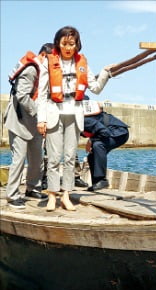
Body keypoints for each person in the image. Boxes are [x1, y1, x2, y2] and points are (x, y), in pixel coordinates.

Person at [37, 26, 114, 211]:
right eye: (64, 43)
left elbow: (95, 88)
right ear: (58, 43)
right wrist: (41, 119)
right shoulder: (48, 62)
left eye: (71, 44)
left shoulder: (82, 63)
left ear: (77, 44)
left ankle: (66, 195)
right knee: (54, 158)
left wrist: (105, 73)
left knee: (71, 157)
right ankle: (52, 195)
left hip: (75, 115)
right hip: (54, 113)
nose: (68, 47)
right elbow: (41, 93)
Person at [4, 43, 54, 209]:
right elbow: (22, 96)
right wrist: (40, 115)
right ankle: (12, 196)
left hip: (33, 123)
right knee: (19, 158)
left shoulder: (44, 74)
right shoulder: (31, 69)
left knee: (37, 157)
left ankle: (33, 187)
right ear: (43, 56)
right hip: (19, 120)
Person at [82, 99, 129, 191]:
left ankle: (102, 180)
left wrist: (91, 141)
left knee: (98, 145)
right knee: (91, 156)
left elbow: (104, 132)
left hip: (119, 133)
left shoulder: (84, 120)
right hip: (107, 132)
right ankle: (97, 183)